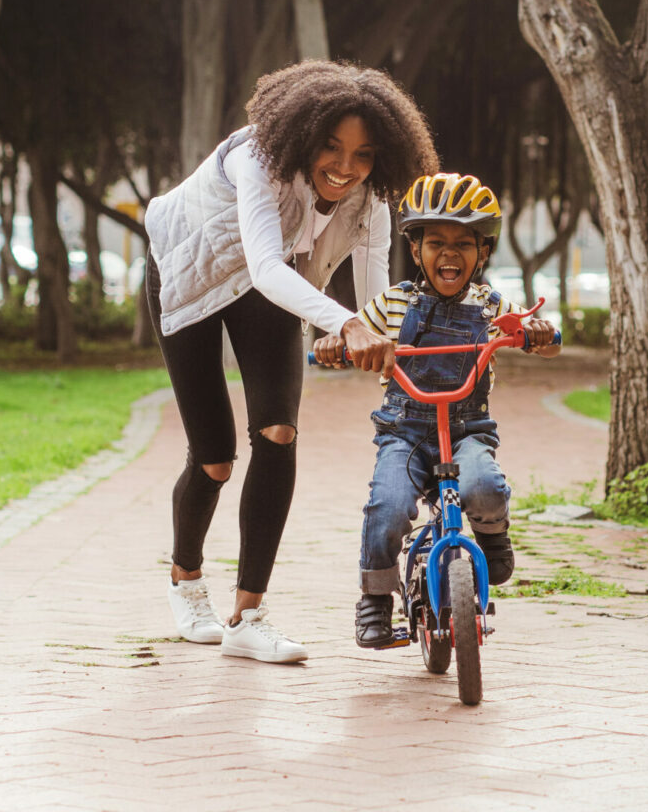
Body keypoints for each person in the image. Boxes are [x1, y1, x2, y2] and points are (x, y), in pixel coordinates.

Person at [144, 60, 437, 663]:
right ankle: (185, 579)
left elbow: (374, 292)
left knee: (278, 432)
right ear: (302, 137)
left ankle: (247, 617)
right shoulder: (256, 159)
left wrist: (377, 334)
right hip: (190, 275)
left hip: (269, 288)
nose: (345, 168)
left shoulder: (371, 203)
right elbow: (267, 265)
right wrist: (343, 323)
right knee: (216, 458)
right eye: (331, 148)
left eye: (363, 155)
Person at [312, 173, 561, 648]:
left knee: (485, 486)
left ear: (483, 252)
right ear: (415, 246)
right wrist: (336, 342)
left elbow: (538, 341)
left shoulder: (490, 307)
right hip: (405, 432)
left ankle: (490, 536)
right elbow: (355, 333)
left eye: (464, 243)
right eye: (437, 242)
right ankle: (377, 599)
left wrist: (540, 336)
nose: (450, 254)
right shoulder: (395, 301)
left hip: (467, 430)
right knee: (387, 507)